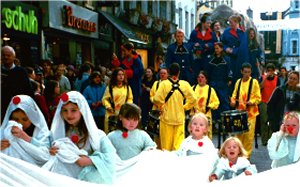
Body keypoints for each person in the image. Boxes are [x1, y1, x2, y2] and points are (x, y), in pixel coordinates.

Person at [47, 91, 116, 184]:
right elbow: (44, 151)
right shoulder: (57, 135)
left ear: (82, 110)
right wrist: (51, 152)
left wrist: (90, 160)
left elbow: (111, 156)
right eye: (65, 110)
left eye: (73, 110)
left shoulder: (97, 135)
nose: (69, 115)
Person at [153, 63, 196, 151]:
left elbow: (156, 99)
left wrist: (162, 106)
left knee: (166, 148)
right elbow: (194, 99)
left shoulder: (164, 84)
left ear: (168, 72)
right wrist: (184, 107)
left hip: (166, 119)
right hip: (179, 119)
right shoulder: (185, 84)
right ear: (179, 72)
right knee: (178, 148)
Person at [0, 95, 51, 166]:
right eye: (15, 119)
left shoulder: (41, 132)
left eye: (24, 119)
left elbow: (45, 155)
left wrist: (26, 138)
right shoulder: (6, 130)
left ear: (33, 118)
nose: (20, 123)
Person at [230, 63, 261, 158]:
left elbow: (258, 97)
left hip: (250, 113)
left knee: (248, 136)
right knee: (238, 135)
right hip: (239, 112)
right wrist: (232, 101)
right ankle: (237, 155)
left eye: (249, 72)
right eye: (245, 72)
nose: (247, 74)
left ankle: (246, 157)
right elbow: (234, 95)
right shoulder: (238, 82)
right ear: (241, 72)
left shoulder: (254, 82)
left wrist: (251, 102)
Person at [1, 46, 34, 121]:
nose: (6, 57)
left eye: (8, 55)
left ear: (14, 57)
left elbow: (28, 91)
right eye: (3, 55)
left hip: (17, 108)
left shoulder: (21, 72)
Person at [207, 42, 232, 127]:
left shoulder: (226, 59)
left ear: (221, 49)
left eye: (218, 48)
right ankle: (214, 122)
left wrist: (229, 79)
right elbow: (208, 72)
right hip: (213, 83)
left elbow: (229, 70)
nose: (216, 50)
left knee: (224, 102)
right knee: (214, 102)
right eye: (215, 48)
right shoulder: (211, 59)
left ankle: (226, 122)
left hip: (222, 83)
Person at [102, 68, 133, 133]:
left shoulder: (127, 87)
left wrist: (127, 107)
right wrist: (108, 106)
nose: (121, 76)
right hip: (111, 114)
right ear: (115, 76)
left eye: (122, 74)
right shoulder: (110, 87)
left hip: (123, 114)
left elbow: (130, 98)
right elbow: (104, 99)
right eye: (119, 75)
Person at [191, 71, 220, 139]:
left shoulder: (210, 90)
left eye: (202, 77)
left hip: (206, 117)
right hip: (195, 117)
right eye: (198, 77)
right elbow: (188, 100)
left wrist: (210, 106)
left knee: (206, 138)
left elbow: (216, 102)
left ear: (206, 79)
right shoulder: (193, 88)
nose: (200, 79)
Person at [222, 14, 249, 86]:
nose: (229, 24)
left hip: (238, 58)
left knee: (237, 77)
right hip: (228, 58)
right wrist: (226, 48)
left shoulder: (242, 33)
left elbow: (243, 47)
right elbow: (222, 42)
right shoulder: (226, 32)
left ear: (236, 22)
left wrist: (233, 51)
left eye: (231, 22)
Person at [189, 13, 217, 80]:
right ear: (203, 23)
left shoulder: (212, 33)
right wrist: (194, 45)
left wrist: (209, 45)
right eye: (208, 23)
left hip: (207, 58)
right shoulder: (194, 32)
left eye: (210, 23)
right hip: (197, 58)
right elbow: (189, 43)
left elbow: (215, 44)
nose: (209, 25)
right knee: (196, 75)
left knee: (207, 75)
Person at [259, 63, 279, 145]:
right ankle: (264, 140)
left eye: (271, 70)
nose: (270, 72)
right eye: (268, 71)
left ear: (274, 71)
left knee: (272, 121)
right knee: (264, 121)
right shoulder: (263, 77)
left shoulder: (277, 79)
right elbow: (260, 87)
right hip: (264, 101)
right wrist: (266, 78)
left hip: (273, 103)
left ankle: (271, 140)